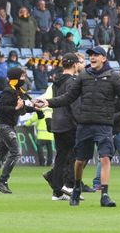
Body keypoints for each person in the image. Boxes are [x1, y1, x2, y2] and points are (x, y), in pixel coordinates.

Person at [37, 46, 120, 208]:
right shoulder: (83, 76)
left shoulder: (114, 78)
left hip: (104, 125)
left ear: (104, 58)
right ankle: (76, 189)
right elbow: (68, 97)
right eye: (91, 55)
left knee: (105, 157)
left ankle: (105, 194)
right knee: (80, 160)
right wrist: (48, 102)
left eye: (95, 55)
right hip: (85, 125)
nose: (92, 58)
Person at [0, 67, 38, 194]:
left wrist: (34, 109)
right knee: (16, 152)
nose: (24, 79)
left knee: (0, 156)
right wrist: (16, 108)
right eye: (22, 77)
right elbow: (2, 108)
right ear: (15, 78)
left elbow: (21, 108)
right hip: (4, 126)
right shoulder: (8, 92)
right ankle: (2, 182)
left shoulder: (17, 91)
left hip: (8, 126)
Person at [44, 53, 83, 199]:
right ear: (74, 65)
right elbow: (74, 104)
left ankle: (57, 191)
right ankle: (69, 186)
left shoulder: (56, 81)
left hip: (57, 122)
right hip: (69, 122)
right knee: (74, 156)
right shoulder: (73, 81)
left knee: (60, 157)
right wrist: (80, 121)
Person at [25, 100, 53, 167]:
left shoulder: (39, 112)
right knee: (50, 150)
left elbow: (29, 122)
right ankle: (49, 163)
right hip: (50, 135)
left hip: (41, 136)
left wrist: (26, 124)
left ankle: (42, 163)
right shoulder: (50, 112)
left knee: (40, 149)